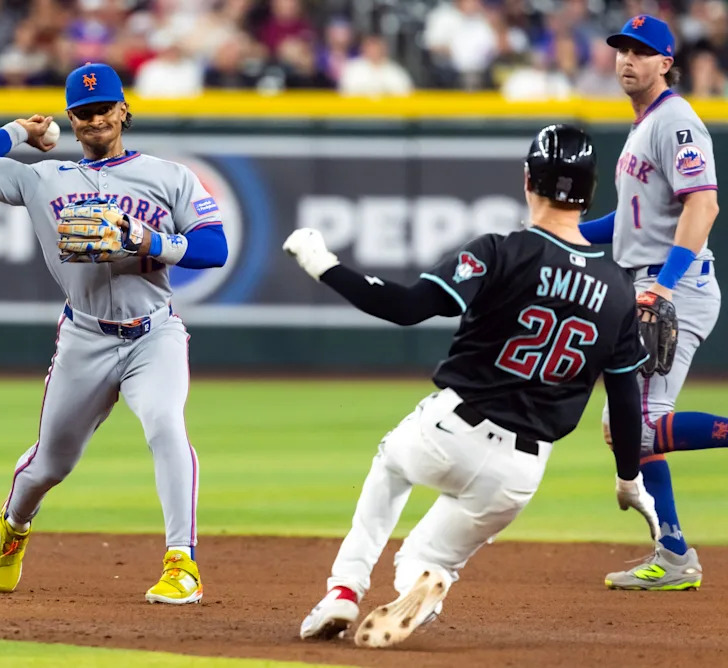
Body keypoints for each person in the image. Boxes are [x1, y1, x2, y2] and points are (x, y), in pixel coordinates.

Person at [285, 125, 659, 648]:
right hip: (520, 470)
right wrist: (627, 479)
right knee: (423, 560)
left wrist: (323, 264)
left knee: (391, 466)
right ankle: (424, 583)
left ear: (528, 179)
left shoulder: (502, 250)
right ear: (592, 190)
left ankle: (344, 591)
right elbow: (623, 398)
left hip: (451, 429)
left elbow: (405, 307)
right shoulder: (620, 287)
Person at [0, 62, 228, 604]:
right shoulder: (42, 178)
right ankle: (13, 528)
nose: (96, 119)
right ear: (72, 120)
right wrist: (21, 132)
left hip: (155, 332)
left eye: (105, 109)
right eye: (84, 112)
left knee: (166, 425)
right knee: (49, 464)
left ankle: (182, 563)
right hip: (84, 337)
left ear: (124, 109)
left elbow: (214, 249)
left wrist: (148, 239)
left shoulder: (169, 176)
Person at [581, 15, 720, 591]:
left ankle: (675, 553)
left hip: (672, 288)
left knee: (635, 431)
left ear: (666, 62)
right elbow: (630, 221)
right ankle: (673, 550)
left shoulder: (676, 122)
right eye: (621, 49)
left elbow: (703, 207)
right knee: (624, 427)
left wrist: (663, 284)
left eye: (641, 51)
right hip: (648, 283)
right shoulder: (644, 128)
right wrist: (565, 232)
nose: (627, 60)